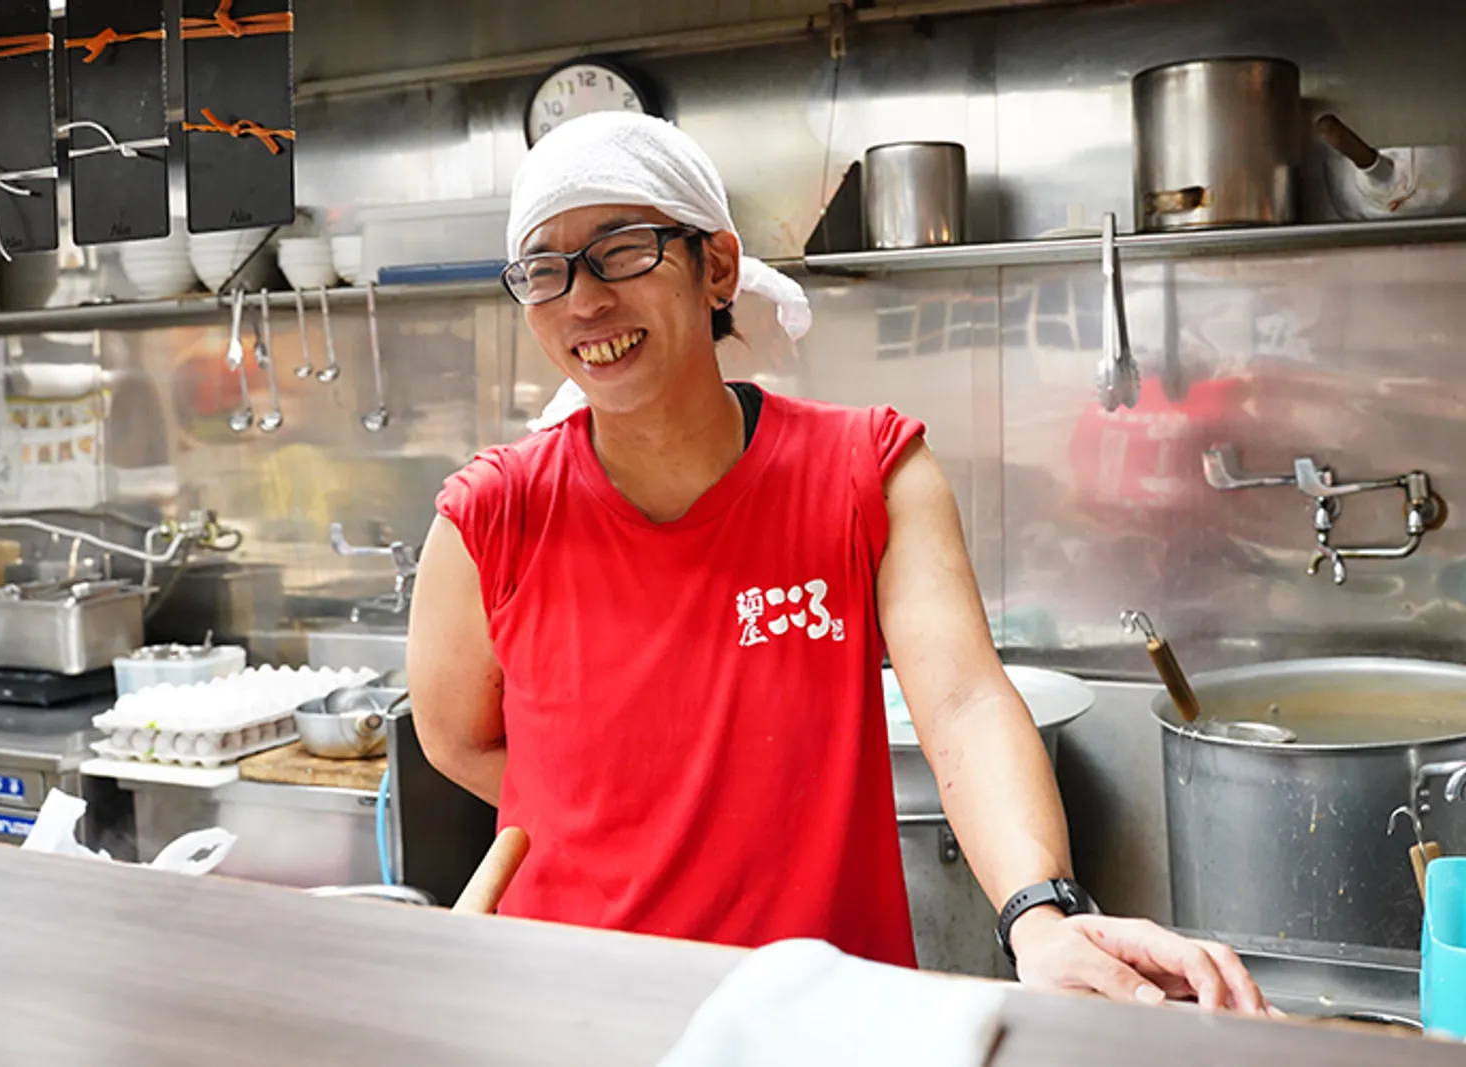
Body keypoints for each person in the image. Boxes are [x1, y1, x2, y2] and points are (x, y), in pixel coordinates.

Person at [407, 111, 1270, 1015]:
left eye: (623, 248)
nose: (584, 301)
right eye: (545, 270)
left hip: (825, 1012)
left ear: (718, 268)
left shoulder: (869, 471)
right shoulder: (490, 515)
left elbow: (964, 704)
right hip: (581, 1008)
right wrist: (624, 814)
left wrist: (1039, 915)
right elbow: (457, 737)